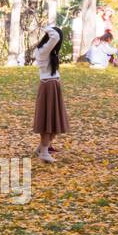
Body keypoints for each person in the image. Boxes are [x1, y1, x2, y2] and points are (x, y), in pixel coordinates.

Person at [32, 25, 70, 163]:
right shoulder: (43, 50)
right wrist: (46, 27)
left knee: (54, 121)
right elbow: (55, 36)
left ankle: (42, 148)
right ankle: (43, 152)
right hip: (48, 87)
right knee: (48, 121)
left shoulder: (50, 51)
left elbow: (55, 38)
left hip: (53, 86)